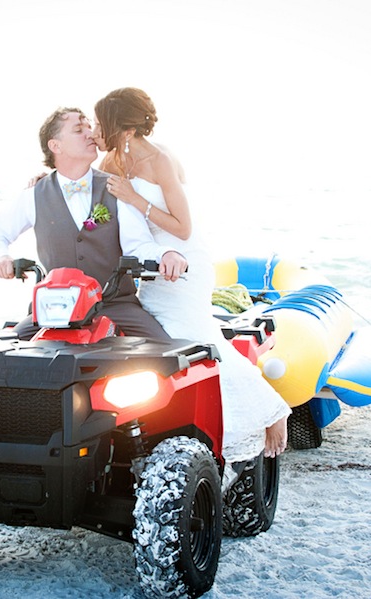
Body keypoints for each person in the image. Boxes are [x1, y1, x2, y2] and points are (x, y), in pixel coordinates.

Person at [93, 87, 291, 461]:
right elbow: (87, 191)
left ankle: (271, 407)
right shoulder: (114, 160)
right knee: (169, 337)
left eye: (102, 121)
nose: (96, 129)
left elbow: (183, 227)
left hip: (184, 260)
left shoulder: (159, 160)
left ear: (122, 126)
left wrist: (135, 200)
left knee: (194, 337)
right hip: (151, 265)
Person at [0, 107, 188, 341]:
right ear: (56, 146)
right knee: (6, 353)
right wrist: (1, 257)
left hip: (115, 305)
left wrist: (166, 254)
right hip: (54, 309)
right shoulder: (34, 194)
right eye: (79, 130)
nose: (90, 134)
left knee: (165, 353)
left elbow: (138, 246)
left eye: (89, 127)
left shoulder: (116, 188)